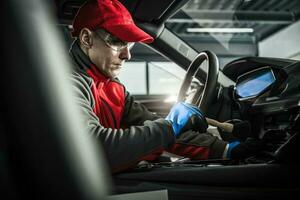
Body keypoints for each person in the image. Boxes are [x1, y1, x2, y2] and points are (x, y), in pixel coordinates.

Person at [69, 0, 261, 173]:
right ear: (87, 39)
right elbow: (96, 151)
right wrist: (171, 124)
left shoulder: (112, 87)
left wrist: (224, 149)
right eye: (118, 42)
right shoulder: (67, 85)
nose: (127, 55)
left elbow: (154, 128)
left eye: (130, 45)